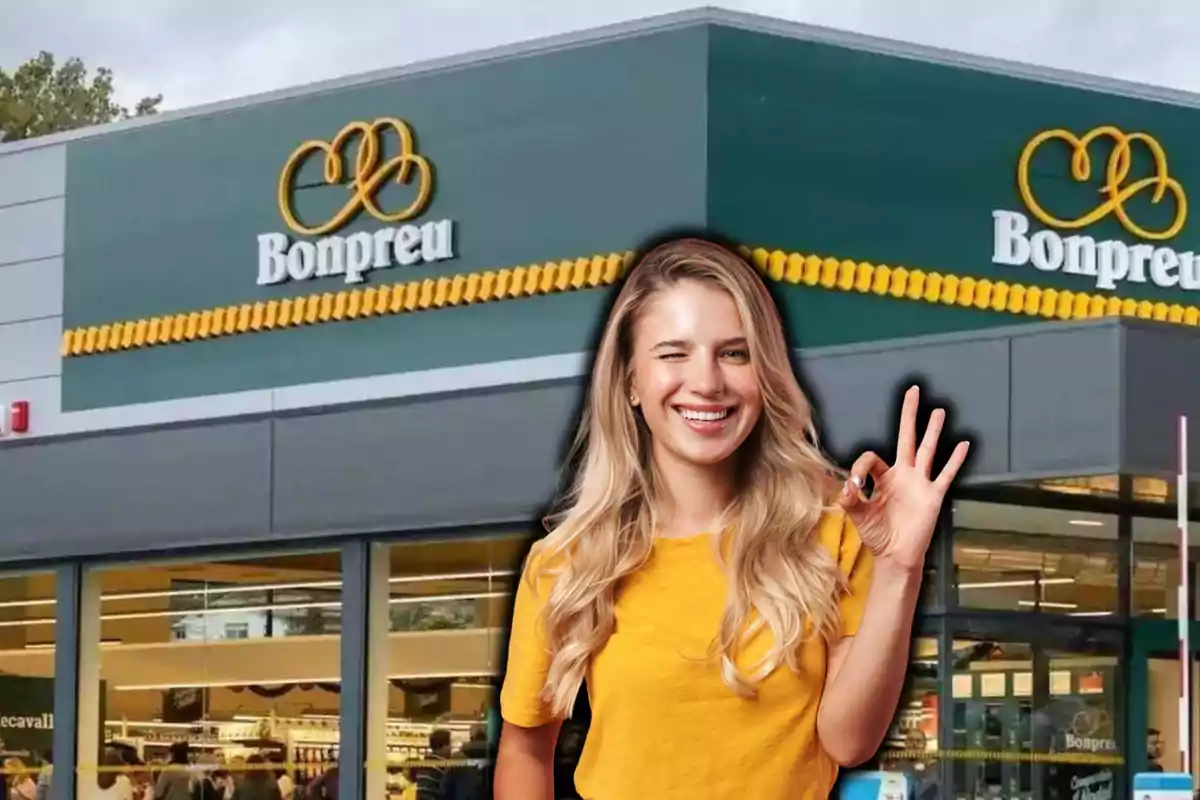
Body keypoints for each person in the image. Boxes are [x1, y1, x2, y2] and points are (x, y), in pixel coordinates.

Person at [494, 238, 969, 800]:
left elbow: (849, 743)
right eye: (673, 353)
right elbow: (524, 750)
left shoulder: (833, 529)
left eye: (735, 353)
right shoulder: (567, 563)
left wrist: (898, 569)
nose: (707, 381)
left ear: (764, 373)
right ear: (629, 382)